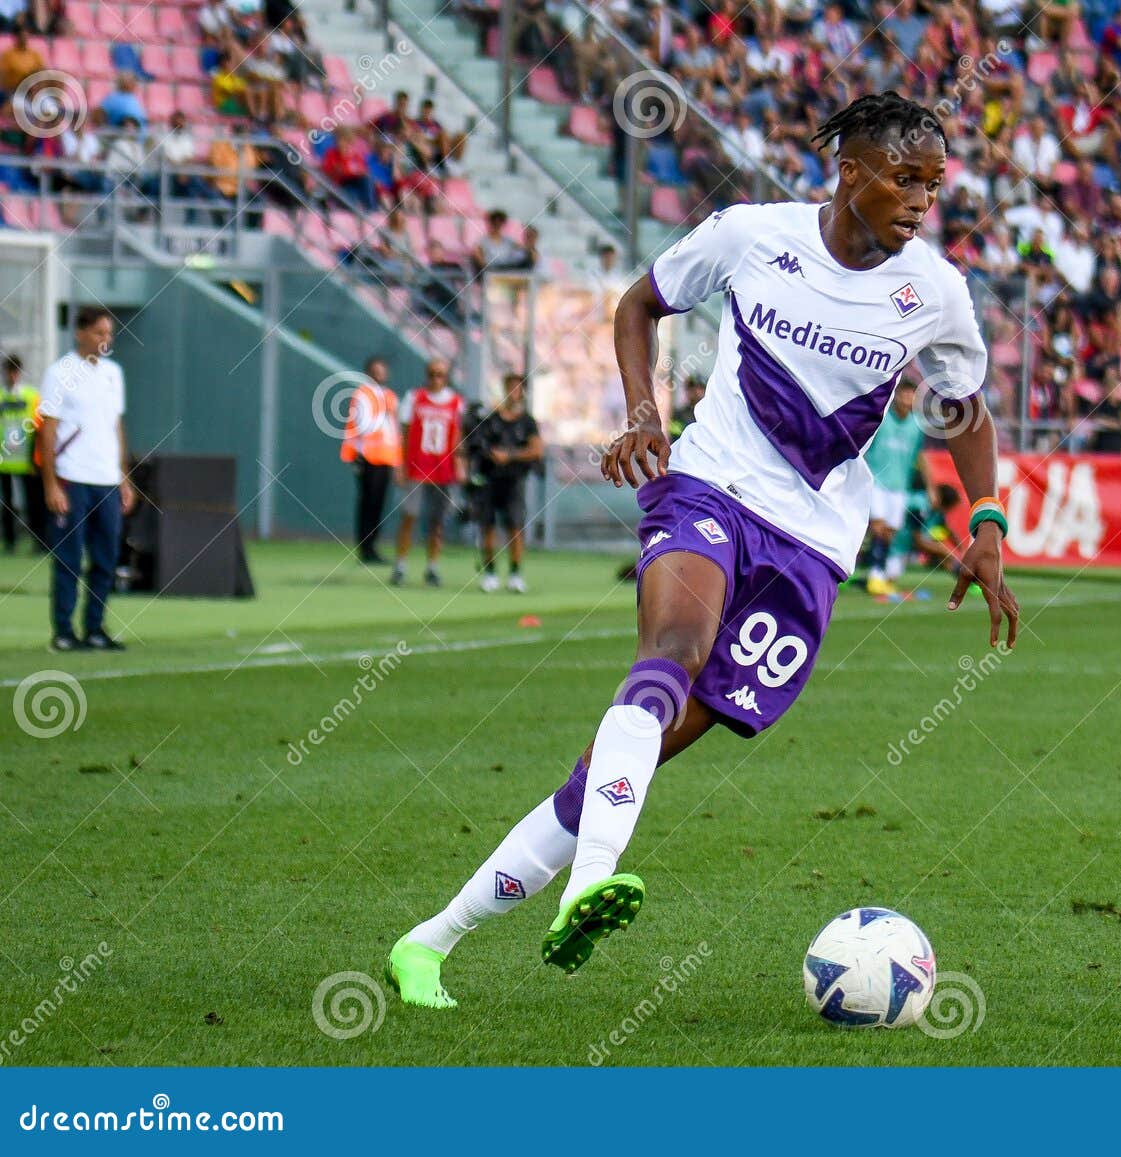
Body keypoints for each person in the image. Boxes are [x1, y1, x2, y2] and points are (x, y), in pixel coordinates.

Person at [386, 93, 1020, 1007]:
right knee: (669, 654)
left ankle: (429, 942)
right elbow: (640, 305)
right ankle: (590, 880)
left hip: (810, 548)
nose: (922, 199)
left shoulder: (937, 292)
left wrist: (988, 520)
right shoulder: (751, 235)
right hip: (707, 485)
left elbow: (964, 410)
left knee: (625, 762)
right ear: (849, 172)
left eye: (933, 183)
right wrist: (645, 414)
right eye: (903, 177)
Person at [37, 307, 135, 651]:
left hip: (106, 481)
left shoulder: (114, 374)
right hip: (72, 479)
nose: (105, 340)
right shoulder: (60, 372)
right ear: (80, 333)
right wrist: (50, 483)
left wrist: (123, 477)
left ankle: (95, 627)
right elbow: (47, 432)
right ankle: (63, 631)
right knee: (69, 558)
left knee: (106, 557)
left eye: (109, 334)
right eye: (99, 333)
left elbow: (116, 427)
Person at [391, 359, 465, 587]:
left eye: (440, 374)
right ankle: (400, 565)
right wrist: (399, 465)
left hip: (443, 468)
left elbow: (458, 436)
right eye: (432, 374)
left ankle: (432, 566)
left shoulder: (456, 402)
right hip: (416, 466)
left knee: (437, 522)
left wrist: (461, 464)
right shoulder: (414, 398)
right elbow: (402, 433)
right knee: (409, 517)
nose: (436, 379)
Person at [474, 373, 543, 593]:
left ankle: (515, 573)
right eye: (511, 387)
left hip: (514, 480)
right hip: (490, 479)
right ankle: (490, 572)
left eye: (518, 388)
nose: (514, 392)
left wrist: (510, 455)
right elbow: (476, 445)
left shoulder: (527, 422)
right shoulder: (491, 419)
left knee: (515, 527)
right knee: (488, 527)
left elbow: (536, 450)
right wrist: (489, 454)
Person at [862, 378, 924, 597]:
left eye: (911, 395)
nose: (908, 399)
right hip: (876, 481)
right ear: (896, 396)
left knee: (890, 531)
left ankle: (881, 573)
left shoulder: (917, 426)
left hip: (900, 486)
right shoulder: (883, 420)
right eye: (904, 394)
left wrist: (930, 486)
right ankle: (875, 575)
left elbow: (919, 457)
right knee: (877, 526)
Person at [339, 356, 401, 564]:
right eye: (375, 370)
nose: (379, 374)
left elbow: (394, 429)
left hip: (385, 457)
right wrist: (383, 412)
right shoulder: (363, 395)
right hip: (368, 457)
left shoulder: (389, 396)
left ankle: (373, 546)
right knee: (368, 504)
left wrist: (398, 458)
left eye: (382, 370)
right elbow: (364, 425)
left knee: (379, 505)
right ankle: (365, 549)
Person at [0, 352, 43, 553]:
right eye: (9, 371)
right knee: (6, 503)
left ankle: (38, 539)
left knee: (33, 501)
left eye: (15, 371)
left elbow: (39, 426)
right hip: (4, 460)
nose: (12, 376)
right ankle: (10, 541)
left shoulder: (31, 396)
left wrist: (37, 458)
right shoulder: (1, 396)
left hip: (26, 460)